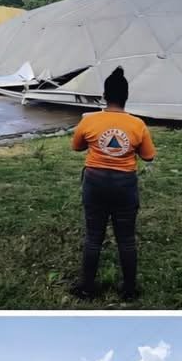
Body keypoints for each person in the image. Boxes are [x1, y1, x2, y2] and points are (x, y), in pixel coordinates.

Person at [70, 66, 156, 302]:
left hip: (94, 181)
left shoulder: (90, 121)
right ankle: (129, 290)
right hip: (125, 184)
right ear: (126, 97)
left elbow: (76, 146)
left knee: (93, 237)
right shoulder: (137, 125)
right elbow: (148, 156)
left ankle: (86, 288)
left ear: (105, 95)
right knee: (126, 239)